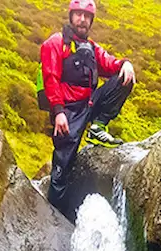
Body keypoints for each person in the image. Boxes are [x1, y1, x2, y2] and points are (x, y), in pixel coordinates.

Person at [40, 0, 136, 213]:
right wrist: (58, 112)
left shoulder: (92, 47)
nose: (82, 20)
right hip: (67, 111)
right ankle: (54, 215)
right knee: (62, 167)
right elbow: (50, 79)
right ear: (71, 16)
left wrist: (125, 63)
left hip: (89, 104)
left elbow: (110, 63)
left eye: (87, 16)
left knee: (124, 79)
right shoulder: (55, 43)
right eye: (78, 15)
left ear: (91, 20)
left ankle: (97, 127)